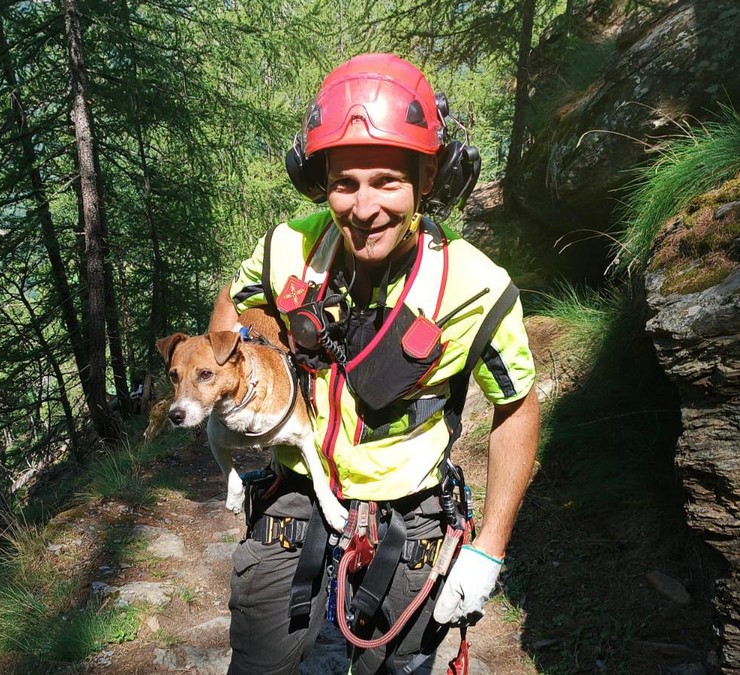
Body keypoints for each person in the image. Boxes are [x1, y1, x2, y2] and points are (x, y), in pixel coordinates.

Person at [208, 53, 540, 674]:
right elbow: (233, 301)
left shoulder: (475, 287)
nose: (365, 207)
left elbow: (515, 407)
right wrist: (231, 382)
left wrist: (489, 548)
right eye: (345, 182)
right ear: (321, 182)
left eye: (387, 180)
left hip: (407, 529)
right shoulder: (288, 247)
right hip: (292, 507)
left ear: (425, 179)